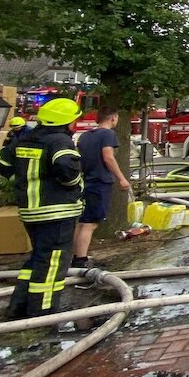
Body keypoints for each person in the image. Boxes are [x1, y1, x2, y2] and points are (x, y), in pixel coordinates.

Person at [0, 97, 84, 319]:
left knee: (38, 259)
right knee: (52, 265)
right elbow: (67, 169)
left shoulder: (26, 139)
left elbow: (0, 162)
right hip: (56, 211)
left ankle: (18, 307)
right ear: (67, 121)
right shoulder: (60, 141)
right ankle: (43, 313)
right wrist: (72, 185)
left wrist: (19, 179)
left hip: (30, 212)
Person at [73, 106, 131, 270]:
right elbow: (108, 157)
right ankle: (81, 260)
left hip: (85, 181)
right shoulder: (108, 134)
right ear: (113, 118)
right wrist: (122, 178)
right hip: (100, 181)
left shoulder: (85, 136)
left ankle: (77, 256)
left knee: (83, 221)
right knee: (90, 223)